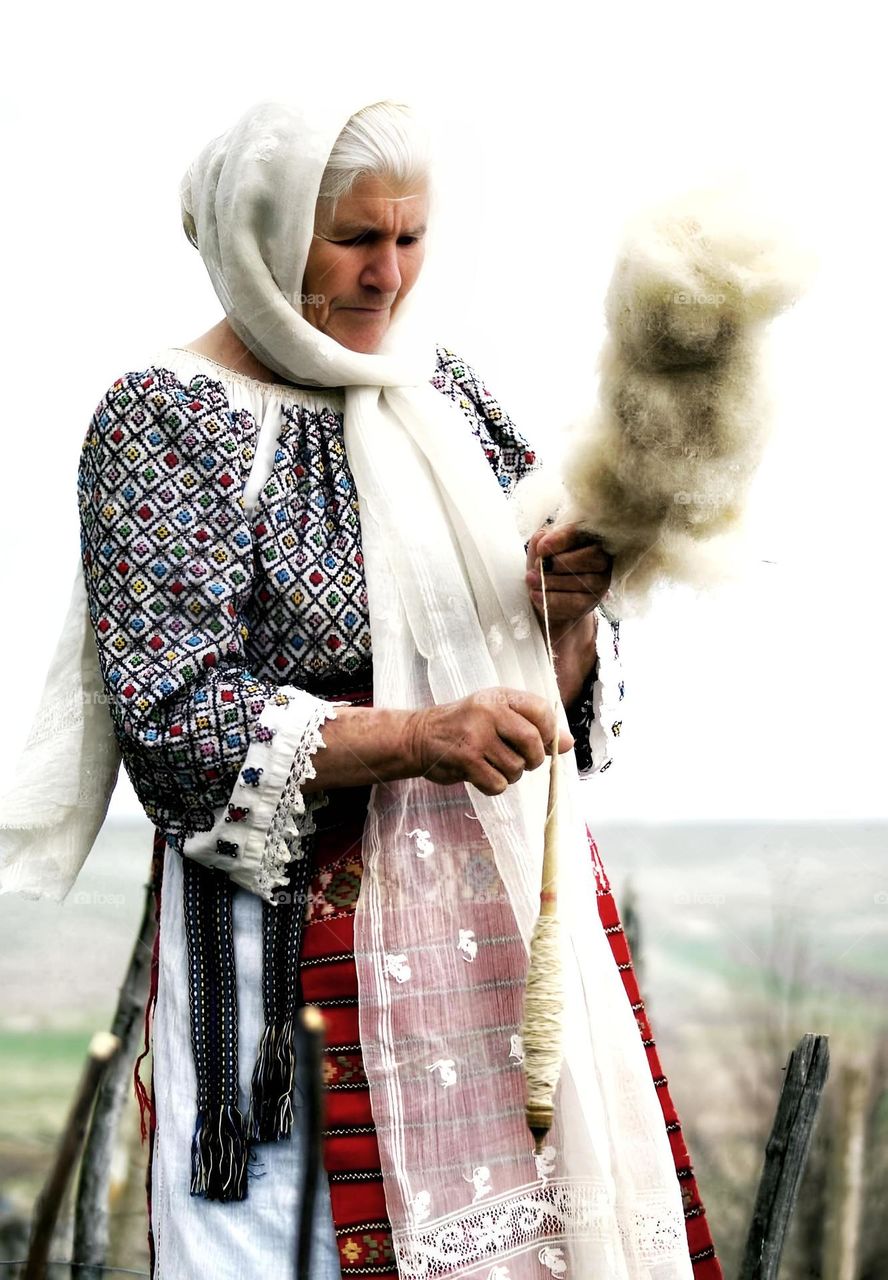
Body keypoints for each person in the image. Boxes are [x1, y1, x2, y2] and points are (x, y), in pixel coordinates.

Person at [69, 95, 723, 1279]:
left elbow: (548, 665)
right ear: (262, 233)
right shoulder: (168, 421)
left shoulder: (446, 394)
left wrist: (566, 613)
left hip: (482, 948)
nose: (387, 277)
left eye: (409, 238)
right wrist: (422, 731)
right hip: (289, 978)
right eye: (354, 240)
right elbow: (171, 719)